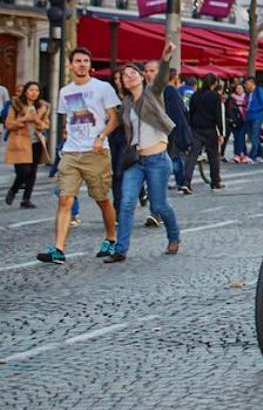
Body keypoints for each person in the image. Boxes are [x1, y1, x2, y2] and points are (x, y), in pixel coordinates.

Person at [38, 48, 122, 265]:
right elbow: (70, 120)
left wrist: (101, 137)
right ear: (71, 65)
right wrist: (66, 138)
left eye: (86, 60)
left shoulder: (102, 88)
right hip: (71, 152)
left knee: (102, 199)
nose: (82, 64)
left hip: (96, 152)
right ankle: (59, 249)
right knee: (65, 199)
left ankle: (111, 239)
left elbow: (114, 118)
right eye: (78, 61)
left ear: (90, 65)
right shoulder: (65, 92)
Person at [107, 61, 182, 262]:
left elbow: (161, 78)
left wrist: (166, 58)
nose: (129, 76)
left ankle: (174, 237)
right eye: (125, 75)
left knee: (158, 205)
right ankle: (120, 249)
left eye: (133, 73)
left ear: (142, 77)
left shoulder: (153, 94)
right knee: (126, 203)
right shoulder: (126, 104)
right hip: (136, 161)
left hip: (157, 159)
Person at [145, 60, 195, 196]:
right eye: (146, 71)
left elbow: (177, 113)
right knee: (170, 158)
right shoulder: (147, 90)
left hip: (169, 131)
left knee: (172, 157)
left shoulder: (169, 90)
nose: (149, 74)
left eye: (152, 71)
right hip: (153, 133)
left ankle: (178, 183)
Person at [5, 81, 50, 207]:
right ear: (26, 91)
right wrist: (24, 119)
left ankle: (26, 199)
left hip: (36, 142)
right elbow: (9, 124)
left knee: (32, 172)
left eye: (37, 90)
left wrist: (36, 120)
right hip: (20, 142)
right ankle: (13, 190)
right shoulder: (16, 105)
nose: (34, 93)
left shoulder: (42, 107)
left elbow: (45, 125)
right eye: (31, 90)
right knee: (23, 172)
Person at [188, 73, 225, 191]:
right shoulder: (215, 96)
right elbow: (218, 115)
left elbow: (191, 112)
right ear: (214, 84)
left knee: (192, 156)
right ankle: (215, 181)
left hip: (196, 128)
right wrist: (221, 132)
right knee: (213, 156)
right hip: (210, 129)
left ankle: (186, 181)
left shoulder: (195, 95)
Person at [243, 76, 263, 161]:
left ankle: (252, 155)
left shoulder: (258, 91)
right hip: (249, 117)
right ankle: (261, 153)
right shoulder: (249, 93)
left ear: (252, 83)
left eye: (247, 84)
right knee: (254, 136)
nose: (245, 86)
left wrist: (252, 109)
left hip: (256, 117)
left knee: (254, 136)